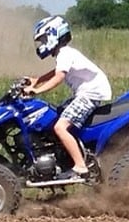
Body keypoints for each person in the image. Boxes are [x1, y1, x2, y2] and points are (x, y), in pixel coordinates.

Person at [23, 15, 112, 177]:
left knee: (60, 127)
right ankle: (65, 155)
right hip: (85, 93)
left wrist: (37, 90)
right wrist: (37, 80)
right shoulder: (64, 54)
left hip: (89, 94)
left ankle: (80, 166)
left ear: (53, 34)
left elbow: (59, 77)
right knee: (55, 115)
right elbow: (56, 71)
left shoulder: (65, 53)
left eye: (43, 39)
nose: (42, 44)